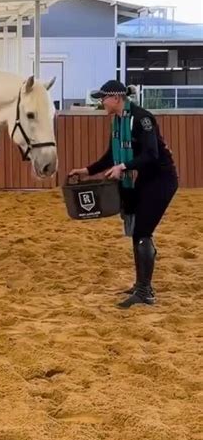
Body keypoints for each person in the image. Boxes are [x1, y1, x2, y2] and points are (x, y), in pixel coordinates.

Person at [70, 80, 178, 309]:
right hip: (146, 178)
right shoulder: (119, 122)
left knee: (142, 231)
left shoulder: (141, 119)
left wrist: (123, 167)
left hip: (162, 179)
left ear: (116, 98)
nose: (101, 102)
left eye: (104, 98)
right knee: (139, 229)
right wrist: (87, 171)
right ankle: (141, 284)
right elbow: (111, 156)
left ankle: (145, 292)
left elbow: (151, 154)